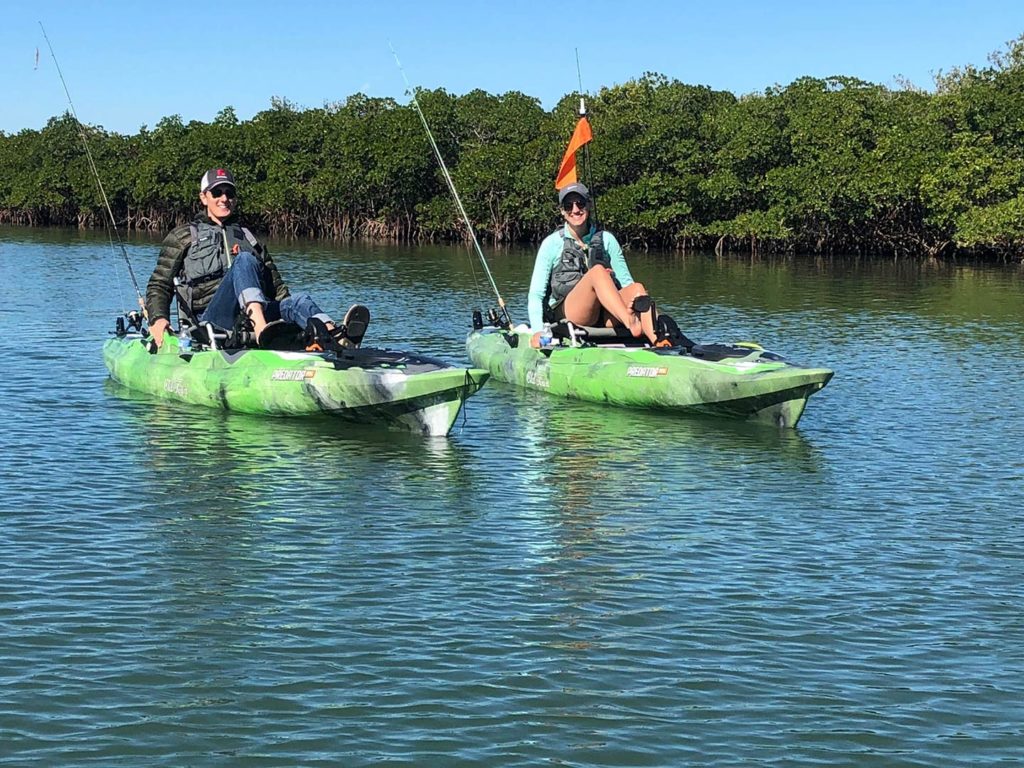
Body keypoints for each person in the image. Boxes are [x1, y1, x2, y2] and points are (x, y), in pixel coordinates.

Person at [144, 167, 369, 352]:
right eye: (217, 193)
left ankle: (336, 337)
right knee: (244, 261)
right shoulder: (183, 236)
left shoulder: (248, 237)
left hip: (250, 315)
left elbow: (276, 286)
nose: (224, 199)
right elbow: (159, 284)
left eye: (229, 193)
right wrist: (158, 319)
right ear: (204, 197)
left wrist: (288, 316)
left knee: (298, 301)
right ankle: (262, 332)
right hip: (212, 320)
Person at [527, 182, 657, 347]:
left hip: (606, 315)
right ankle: (630, 323)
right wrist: (538, 331)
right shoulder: (551, 244)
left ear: (588, 205)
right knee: (597, 272)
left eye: (580, 203)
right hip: (569, 313)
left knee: (638, 289)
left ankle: (661, 343)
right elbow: (536, 295)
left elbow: (627, 283)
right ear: (562, 211)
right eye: (569, 206)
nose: (575, 210)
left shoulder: (607, 240)